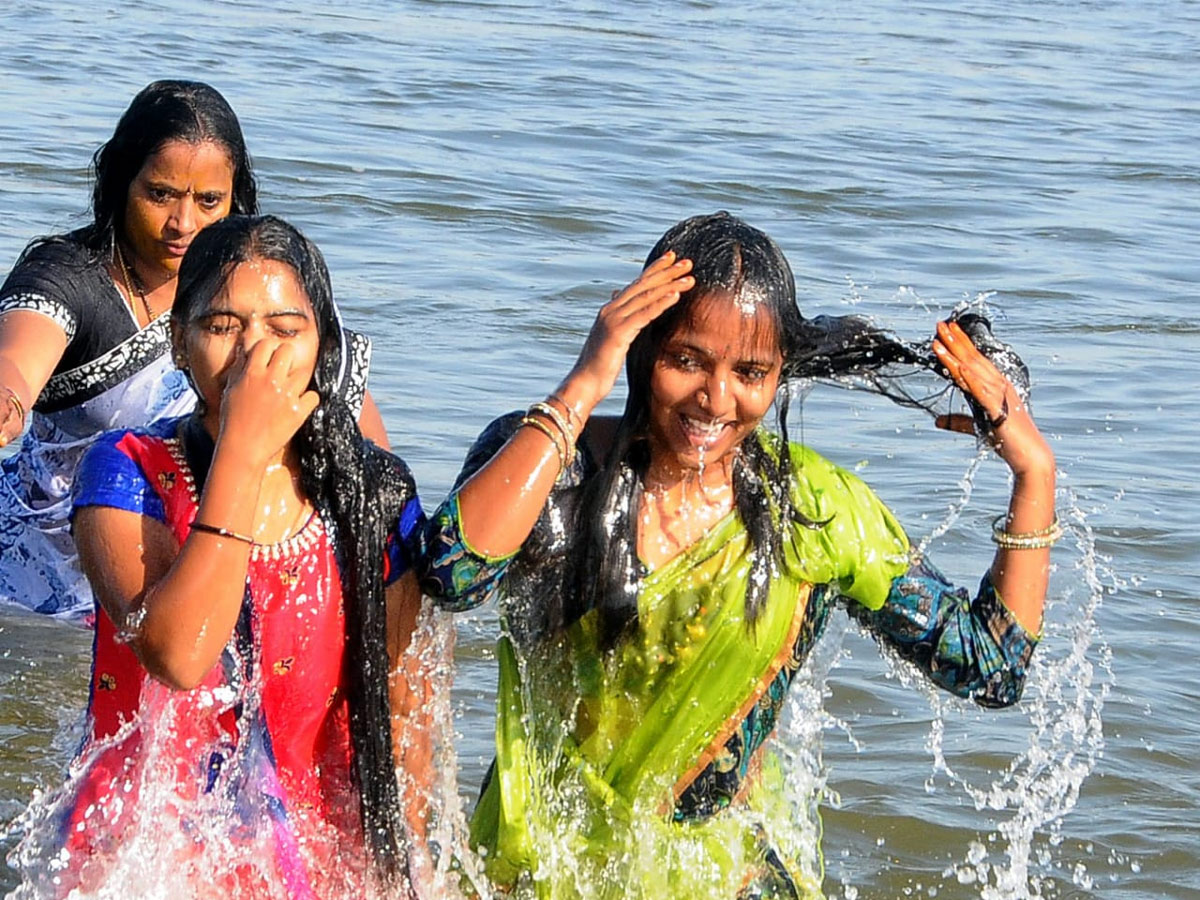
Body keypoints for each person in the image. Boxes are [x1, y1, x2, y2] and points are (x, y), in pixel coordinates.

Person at [421, 212, 1058, 899]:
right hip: (533, 872)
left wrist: (1034, 474)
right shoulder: (550, 471)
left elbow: (989, 669)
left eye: (749, 372)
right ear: (639, 349)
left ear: (780, 371)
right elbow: (452, 575)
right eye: (686, 360)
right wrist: (582, 384)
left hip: (725, 878)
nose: (715, 401)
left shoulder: (813, 513)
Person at [13, 216, 430, 898]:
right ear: (179, 342)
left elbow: (399, 702)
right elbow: (178, 656)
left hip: (309, 847)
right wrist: (241, 449)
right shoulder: (127, 471)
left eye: (284, 329)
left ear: (324, 345)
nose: (254, 354)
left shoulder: (369, 494)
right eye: (224, 326)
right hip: (145, 853)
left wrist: (405, 866)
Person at [0, 79, 388, 618]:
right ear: (121, 182)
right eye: (160, 194)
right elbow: (19, 352)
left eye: (209, 201)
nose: (183, 224)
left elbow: (358, 435)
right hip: (43, 589)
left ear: (235, 200)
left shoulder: (273, 288)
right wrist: (10, 398)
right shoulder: (72, 278)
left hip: (206, 565)